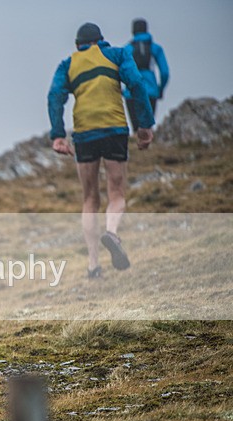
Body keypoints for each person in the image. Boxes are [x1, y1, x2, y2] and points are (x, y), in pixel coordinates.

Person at [47, 23, 154, 278]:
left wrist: (58, 134)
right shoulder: (118, 54)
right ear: (101, 41)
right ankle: (112, 234)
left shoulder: (68, 64)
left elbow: (54, 96)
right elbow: (137, 85)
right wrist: (144, 125)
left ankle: (93, 265)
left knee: (89, 199)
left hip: (85, 134)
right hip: (114, 128)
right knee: (116, 193)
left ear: (78, 46)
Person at [124, 18, 169, 130]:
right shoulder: (156, 48)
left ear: (133, 31)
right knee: (147, 128)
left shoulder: (127, 49)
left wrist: (122, 89)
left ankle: (136, 145)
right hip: (151, 91)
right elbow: (165, 73)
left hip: (131, 92)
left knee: (136, 129)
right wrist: (160, 89)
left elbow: (120, 70)